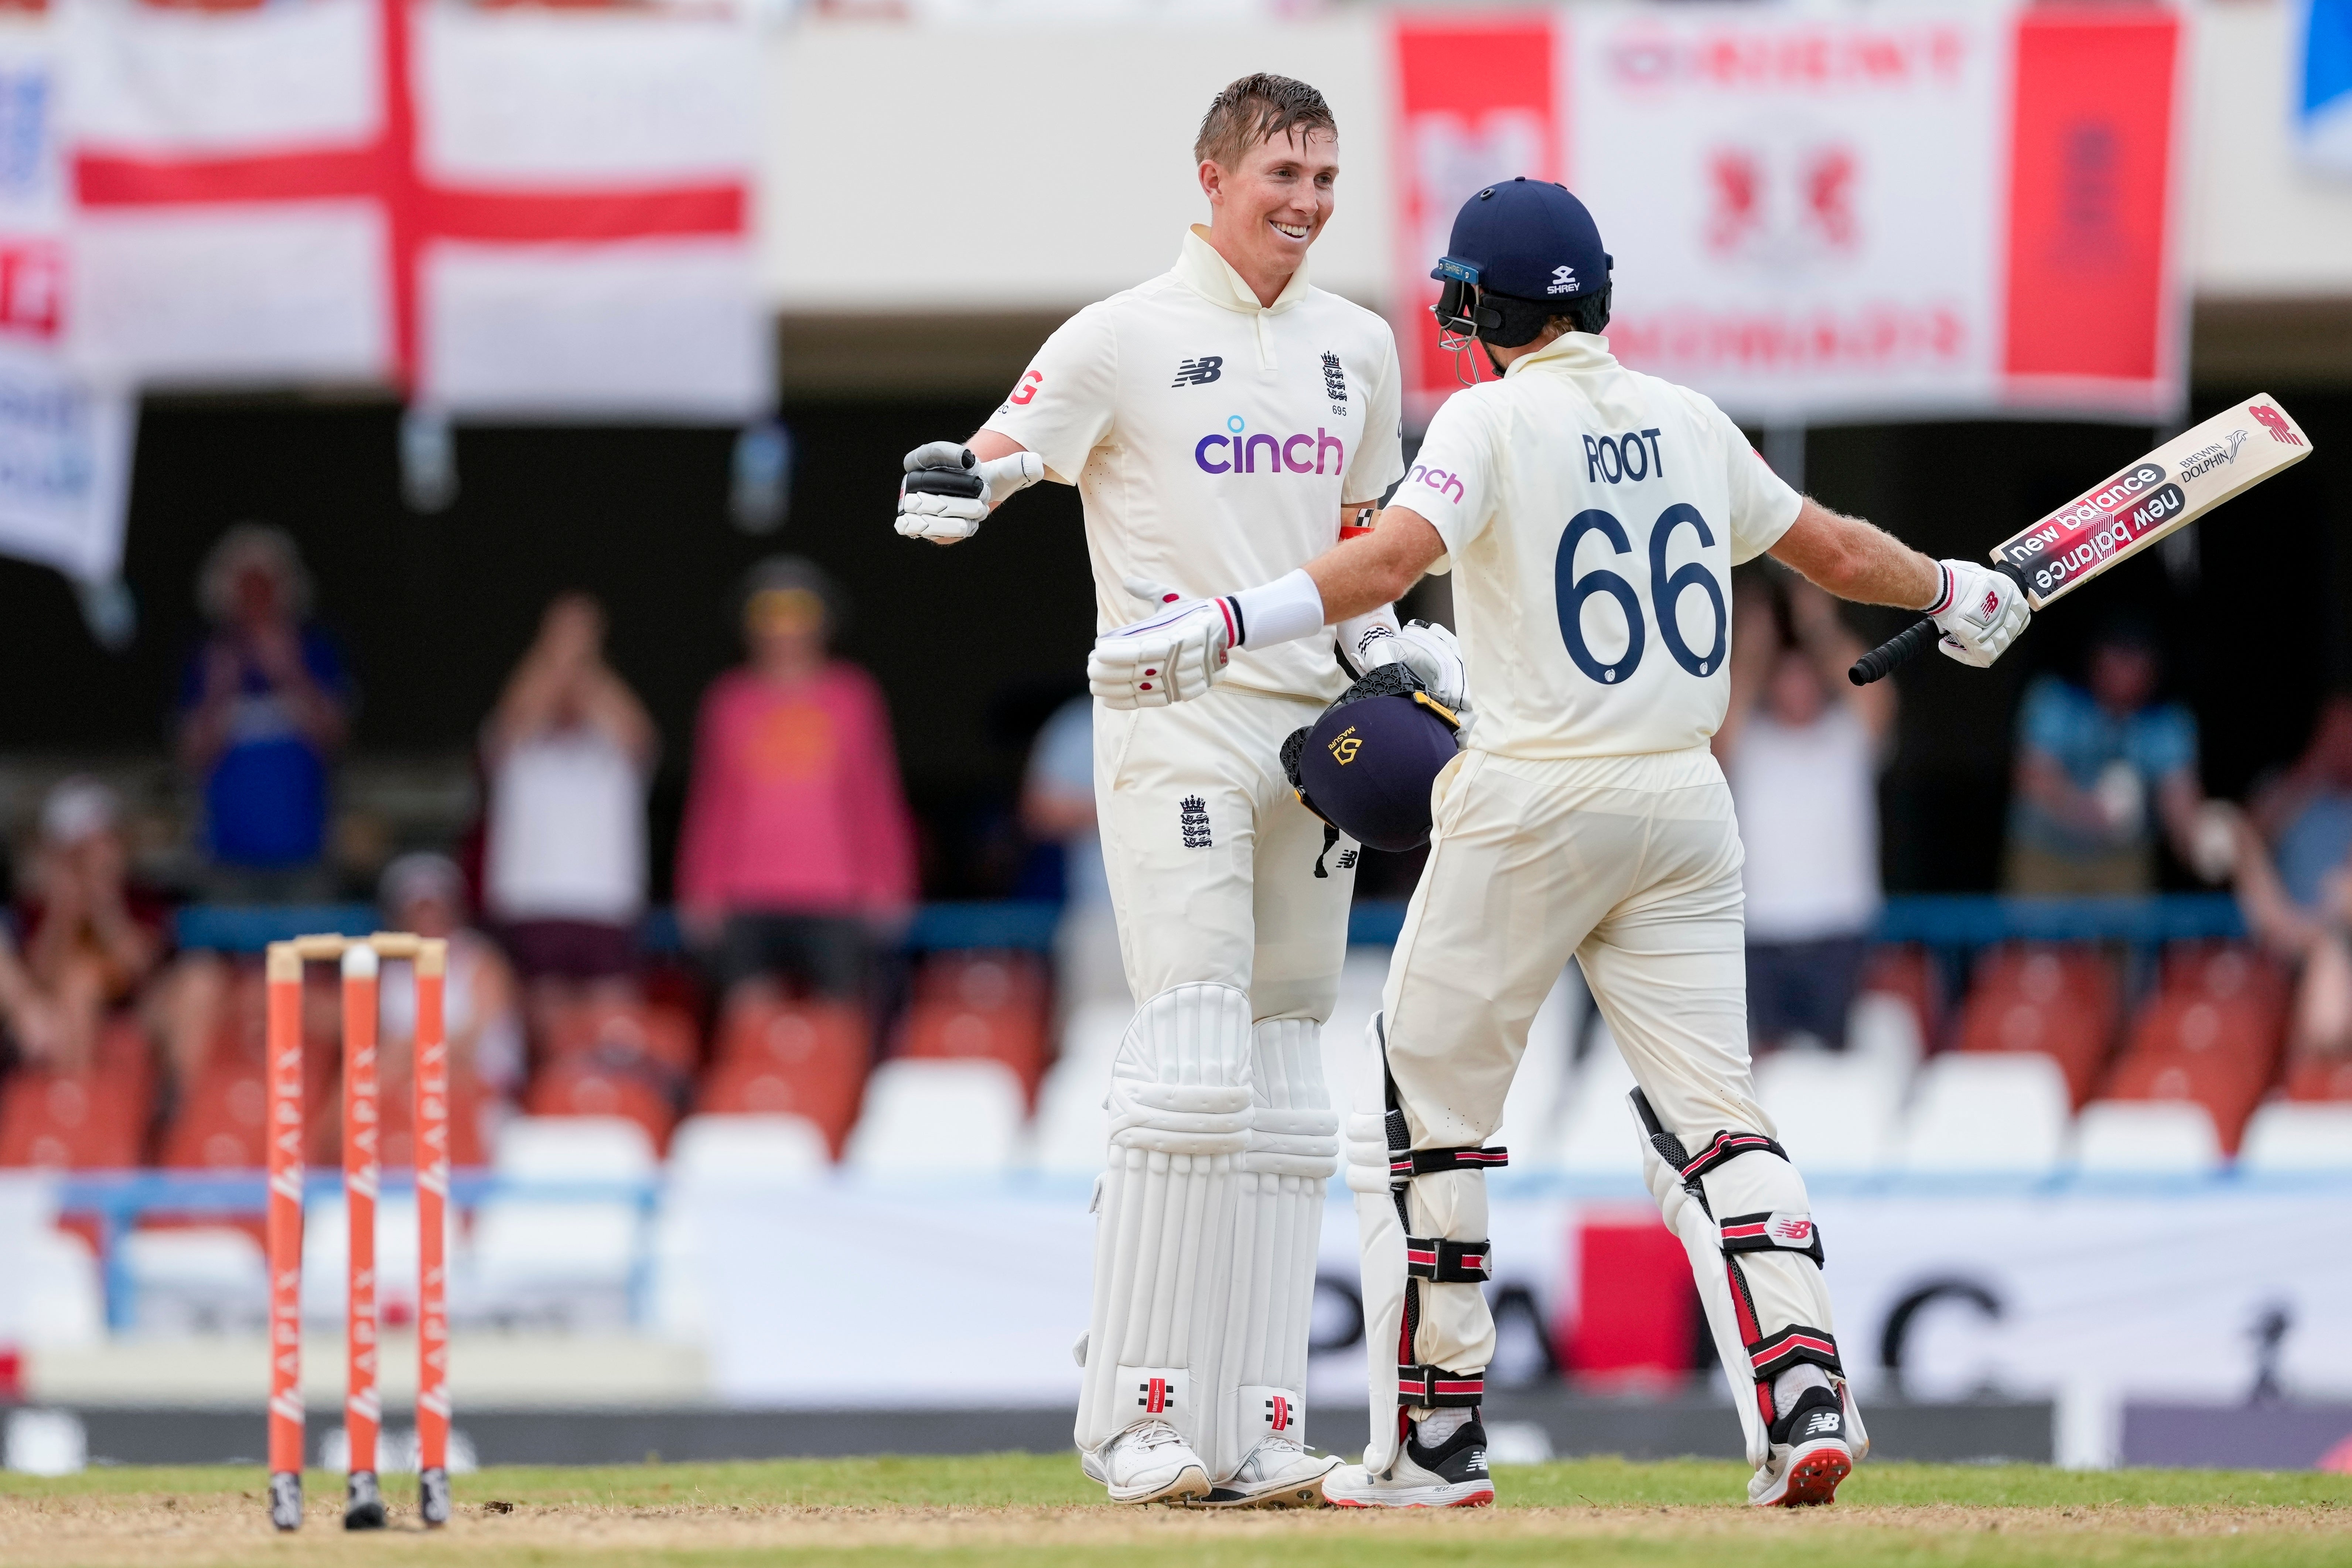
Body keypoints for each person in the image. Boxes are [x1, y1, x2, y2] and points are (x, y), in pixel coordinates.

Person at [1090, 177, 2030, 1508]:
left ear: (1477, 308)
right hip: (1685, 803)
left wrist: (1224, 623)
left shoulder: (1484, 414)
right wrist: (1949, 584)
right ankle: (1803, 1388)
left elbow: (1386, 559)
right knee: (1714, 1115)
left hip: (1531, 793)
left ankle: (1432, 1443)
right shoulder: (1688, 417)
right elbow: (1821, 545)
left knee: (1426, 1111)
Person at [894, 76, 1454, 1507]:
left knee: (1282, 1085)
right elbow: (1004, 451)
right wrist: (962, 481)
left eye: (1326, 177)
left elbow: (1361, 547)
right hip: (1171, 717)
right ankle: (1132, 1407)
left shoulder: (1357, 347)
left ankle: (1257, 1415)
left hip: (1315, 738)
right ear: (1210, 176)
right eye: (1282, 171)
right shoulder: (1122, 334)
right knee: (1196, 1053)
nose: (1307, 201)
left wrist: (1403, 664)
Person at [674, 557, 916, 1011]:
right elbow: (710, 800)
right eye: (771, 613)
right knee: (748, 1023)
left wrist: (891, 881)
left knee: (839, 1025)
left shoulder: (853, 695)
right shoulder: (727, 700)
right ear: (750, 625)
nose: (785, 629)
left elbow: (875, 795)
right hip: (745, 892)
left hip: (836, 891)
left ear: (823, 622)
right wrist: (699, 887)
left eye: (798, 612)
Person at [1714, 577, 1895, 1052]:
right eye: (1785, 677)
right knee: (1762, 1065)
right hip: (1762, 928)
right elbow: (1723, 719)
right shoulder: (1750, 742)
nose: (1796, 688)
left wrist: (1820, 627)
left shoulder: (1846, 737)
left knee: (1834, 1069)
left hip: (1838, 927)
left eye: (1805, 676)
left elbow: (1875, 695)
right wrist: (1753, 648)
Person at [481, 593, 657, 1018]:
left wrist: (582, 654)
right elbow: (516, 715)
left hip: (606, 899)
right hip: (532, 898)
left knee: (612, 1030)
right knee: (546, 1032)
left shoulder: (615, 745)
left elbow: (639, 735)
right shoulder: (518, 745)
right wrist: (557, 647)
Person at [175, 525, 352, 901]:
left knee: (311, 953)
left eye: (265, 586)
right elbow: (191, 755)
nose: (256, 598)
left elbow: (335, 738)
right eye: (245, 587)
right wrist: (218, 691)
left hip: (305, 852)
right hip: (227, 856)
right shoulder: (207, 658)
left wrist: (290, 672)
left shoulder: (316, 652)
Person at [2004, 622, 2203, 896]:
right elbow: (2031, 777)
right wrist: (2085, 809)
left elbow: (2180, 806)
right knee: (2036, 937)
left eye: (2135, 661)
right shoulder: (2055, 699)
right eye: (2117, 658)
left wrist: (2203, 840)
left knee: (2121, 935)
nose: (2125, 672)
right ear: (2095, 660)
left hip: (2121, 860)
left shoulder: (2167, 722)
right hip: (2046, 853)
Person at [9, 778, 166, 1072]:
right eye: (83, 849)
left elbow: (142, 968)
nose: (96, 857)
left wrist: (105, 904)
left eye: (107, 842)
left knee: (82, 979)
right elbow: (38, 975)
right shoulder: (37, 907)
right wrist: (63, 912)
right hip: (56, 1015)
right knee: (76, 980)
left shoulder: (142, 899)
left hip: (131, 1008)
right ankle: (74, 1091)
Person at [1021, 695, 1127, 1014]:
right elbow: (1040, 810)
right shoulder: (1085, 721)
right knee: (1097, 1036)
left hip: (1199, 913)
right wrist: (1134, 805)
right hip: (1104, 915)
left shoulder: (1201, 712)